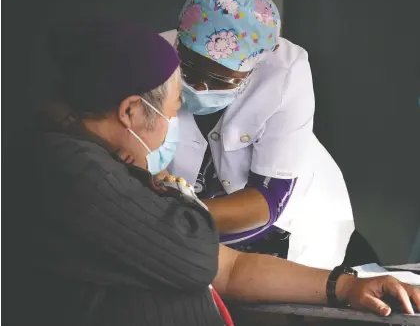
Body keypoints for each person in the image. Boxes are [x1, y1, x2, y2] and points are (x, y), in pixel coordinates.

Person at [12, 19, 419, 326]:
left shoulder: (104, 168)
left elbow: (228, 266)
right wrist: (176, 204)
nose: (177, 120)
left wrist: (347, 286)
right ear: (131, 111)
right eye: (171, 113)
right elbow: (201, 259)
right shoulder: (82, 174)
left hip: (302, 234)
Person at [159, 0, 355, 269]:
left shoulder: (285, 75)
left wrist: (172, 219)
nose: (200, 87)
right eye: (188, 67)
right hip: (185, 227)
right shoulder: (152, 57)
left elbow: (266, 200)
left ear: (253, 70)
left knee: (265, 299)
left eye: (221, 80)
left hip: (290, 225)